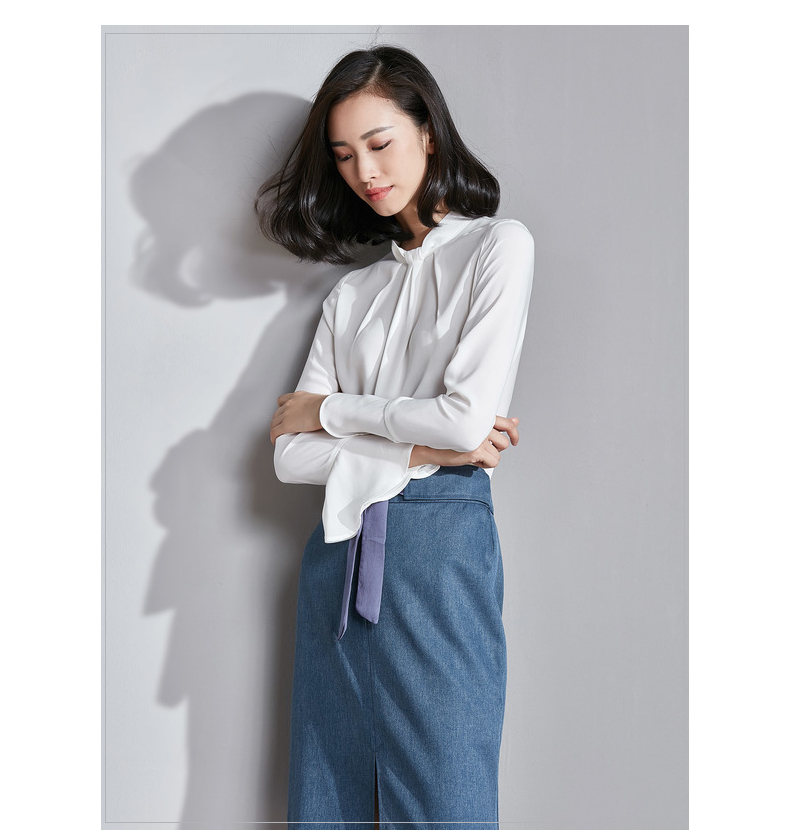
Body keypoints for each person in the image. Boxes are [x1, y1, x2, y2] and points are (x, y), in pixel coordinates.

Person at [256, 45, 535, 828]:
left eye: (379, 143)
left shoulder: (499, 247)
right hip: (336, 559)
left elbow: (465, 421)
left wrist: (334, 411)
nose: (365, 171)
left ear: (428, 134)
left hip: (437, 554)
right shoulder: (353, 293)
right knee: (326, 803)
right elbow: (289, 457)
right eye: (344, 156)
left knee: (449, 803)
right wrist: (420, 448)